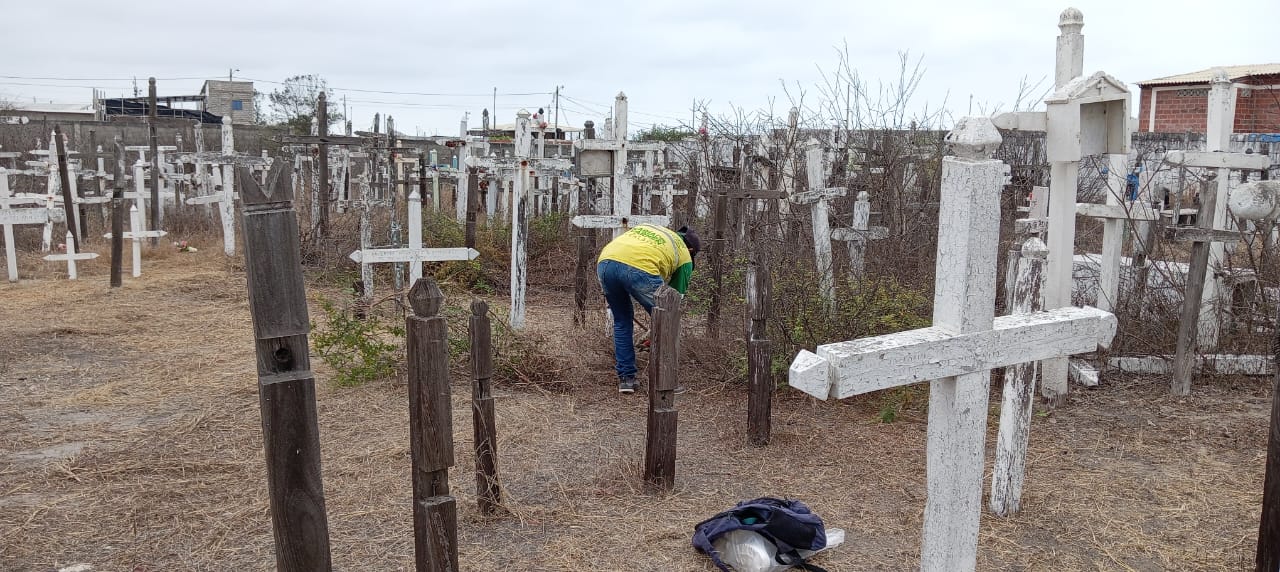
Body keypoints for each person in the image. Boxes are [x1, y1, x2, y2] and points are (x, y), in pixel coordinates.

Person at [597, 224, 700, 394]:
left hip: (606, 263)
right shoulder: (685, 256)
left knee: (622, 321)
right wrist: (658, 330)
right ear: (690, 250)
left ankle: (627, 379)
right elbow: (672, 304)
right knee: (668, 321)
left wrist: (653, 332)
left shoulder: (656, 231)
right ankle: (668, 381)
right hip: (638, 267)